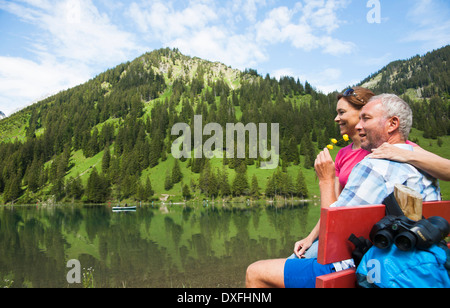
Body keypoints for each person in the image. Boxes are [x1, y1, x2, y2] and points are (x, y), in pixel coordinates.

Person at [245, 94, 441, 288]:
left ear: (392, 124)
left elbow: (334, 237)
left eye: (366, 119)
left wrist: (325, 180)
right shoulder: (424, 163)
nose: (358, 126)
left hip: (367, 267)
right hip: (415, 260)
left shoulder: (374, 166)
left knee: (255, 272)